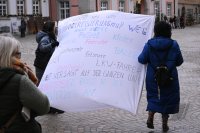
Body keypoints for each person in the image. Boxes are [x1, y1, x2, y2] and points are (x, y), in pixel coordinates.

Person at [138, 21, 184, 132]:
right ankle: (164, 124)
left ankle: (150, 117)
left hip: (153, 78)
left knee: (154, 97)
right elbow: (179, 61)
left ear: (156, 31)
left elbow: (141, 59)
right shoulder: (174, 44)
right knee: (167, 99)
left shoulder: (149, 44)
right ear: (169, 31)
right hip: (170, 77)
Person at [0, 34, 50, 133]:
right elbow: (44, 107)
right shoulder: (19, 80)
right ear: (10, 55)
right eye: (19, 54)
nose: (20, 57)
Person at [34, 21, 64, 114]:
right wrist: (52, 44)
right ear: (50, 29)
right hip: (42, 66)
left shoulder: (50, 36)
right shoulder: (45, 38)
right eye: (54, 27)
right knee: (44, 87)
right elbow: (42, 48)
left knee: (50, 86)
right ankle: (46, 107)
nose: (56, 29)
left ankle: (52, 107)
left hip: (46, 65)